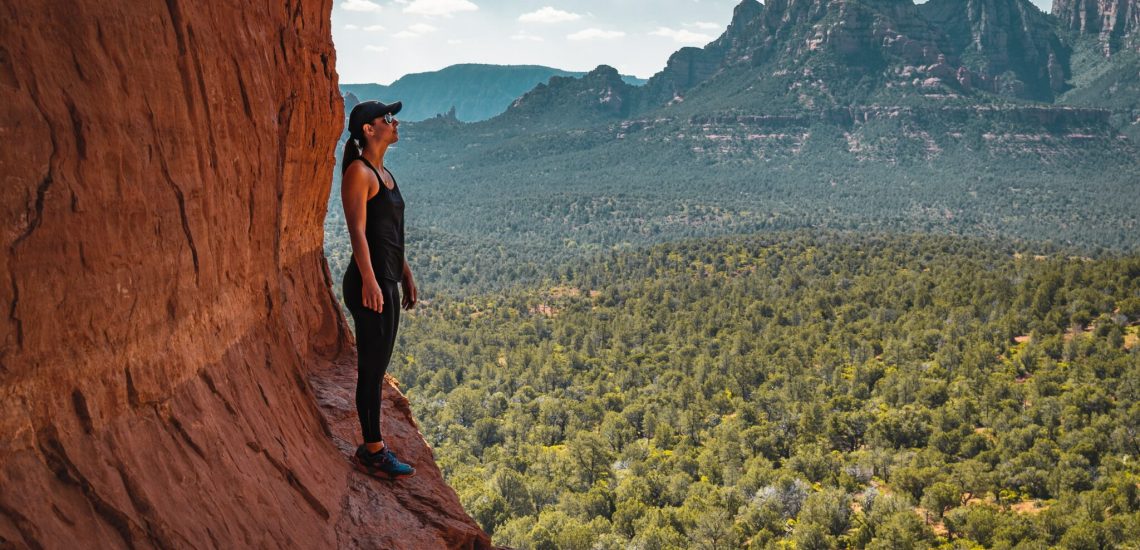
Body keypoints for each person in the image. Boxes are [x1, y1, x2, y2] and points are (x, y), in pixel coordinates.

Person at [340, 100, 417, 479]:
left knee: (378, 364)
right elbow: (356, 229)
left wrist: (404, 271)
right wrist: (370, 280)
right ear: (368, 130)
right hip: (369, 283)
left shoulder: (385, 174)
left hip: (387, 279)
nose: (394, 122)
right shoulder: (360, 172)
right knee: (371, 370)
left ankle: (373, 445)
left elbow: (388, 233)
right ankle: (372, 451)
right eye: (387, 118)